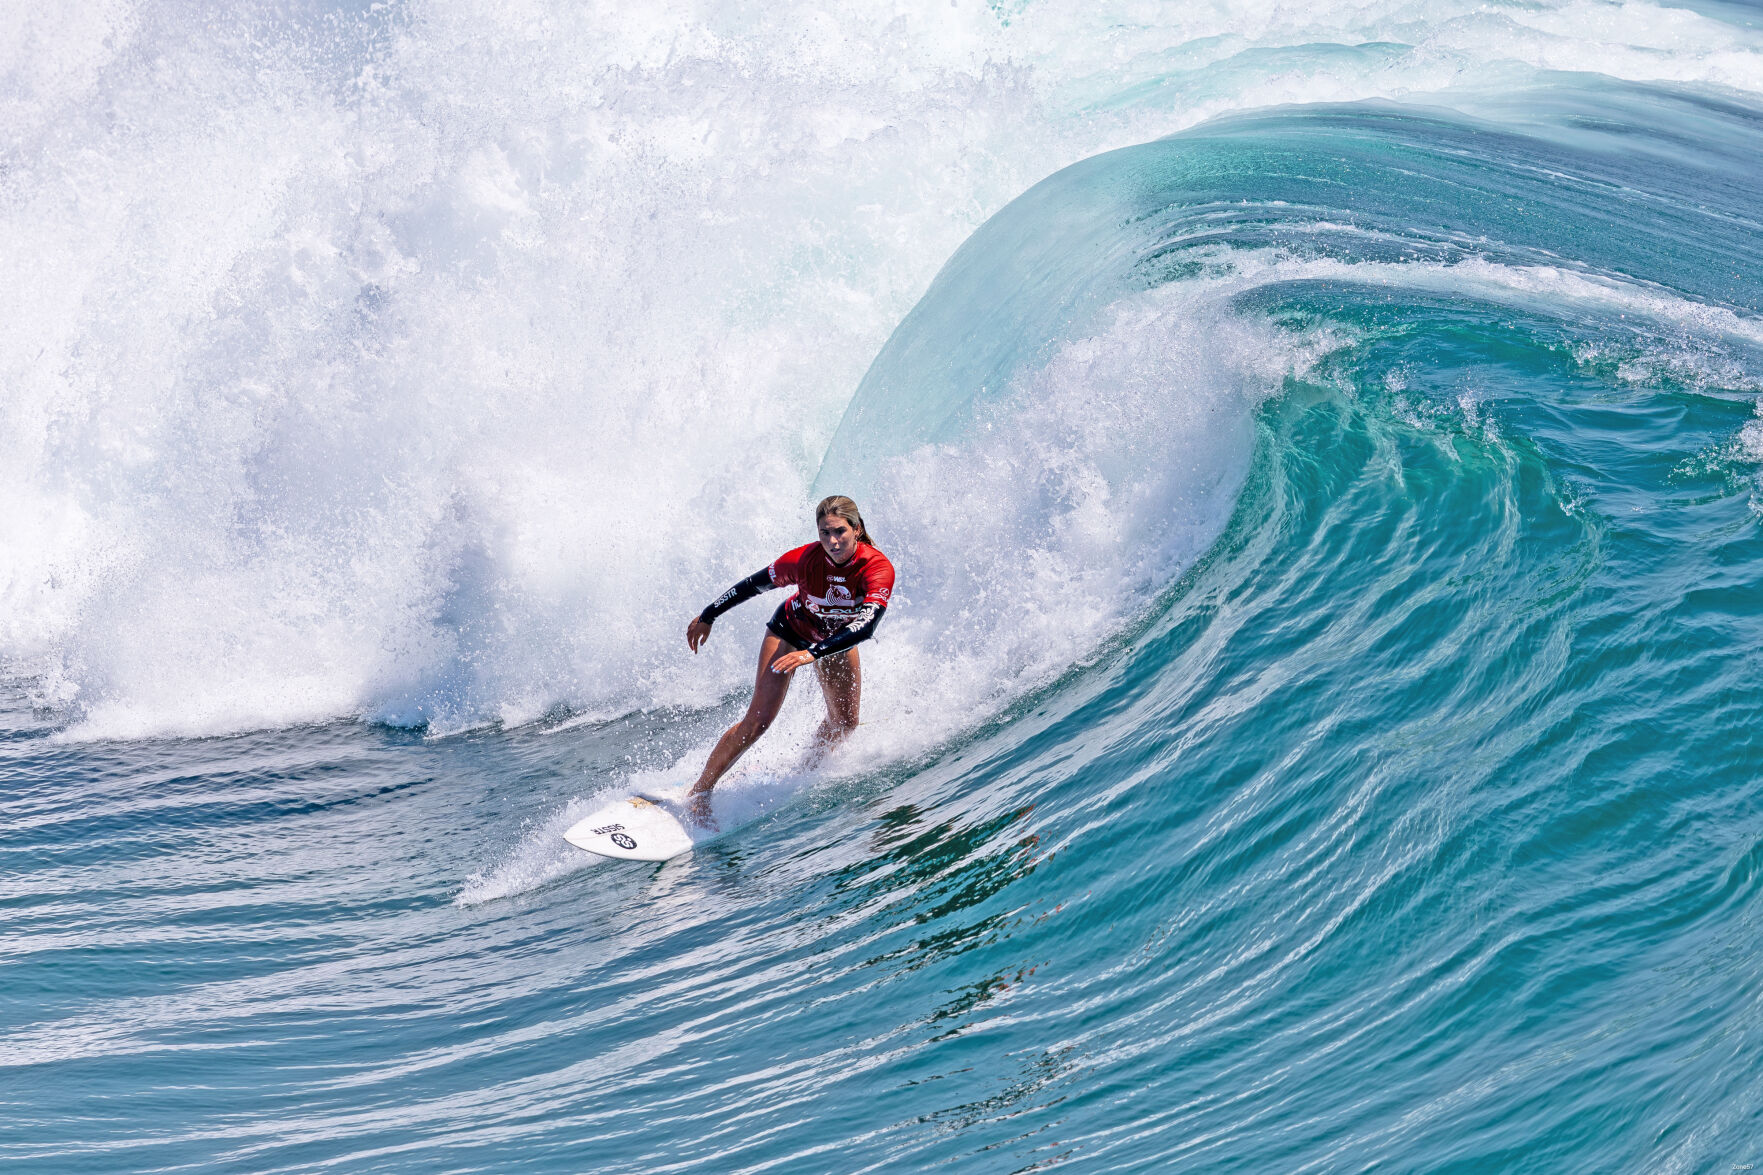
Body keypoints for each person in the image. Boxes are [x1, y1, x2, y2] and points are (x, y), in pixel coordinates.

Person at [683, 495, 895, 827]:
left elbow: (865, 625)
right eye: (824, 533)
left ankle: (805, 772)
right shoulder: (803, 560)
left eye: (839, 531)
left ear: (857, 529)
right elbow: (752, 585)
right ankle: (698, 794)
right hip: (789, 631)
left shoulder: (876, 567)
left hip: (833, 642)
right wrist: (709, 614)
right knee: (758, 720)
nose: (832, 541)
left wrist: (814, 653)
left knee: (845, 723)